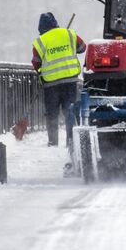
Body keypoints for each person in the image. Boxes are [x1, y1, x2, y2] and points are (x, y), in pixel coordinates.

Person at [32, 12, 86, 153]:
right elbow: (82, 48)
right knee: (70, 111)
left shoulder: (40, 41)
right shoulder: (69, 34)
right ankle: (71, 141)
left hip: (50, 84)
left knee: (52, 113)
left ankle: (52, 142)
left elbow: (36, 63)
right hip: (70, 79)